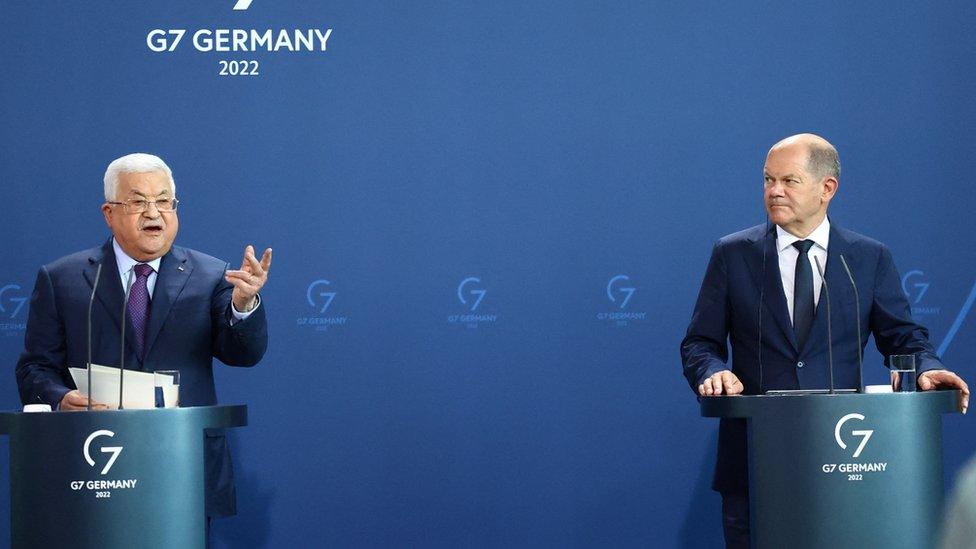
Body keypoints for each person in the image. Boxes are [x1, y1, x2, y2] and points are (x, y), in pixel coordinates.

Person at [679, 134, 969, 548]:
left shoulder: (867, 259)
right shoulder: (733, 254)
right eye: (768, 179)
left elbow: (904, 339)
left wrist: (927, 368)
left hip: (845, 467)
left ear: (827, 189)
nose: (774, 191)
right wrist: (714, 371)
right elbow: (699, 343)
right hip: (756, 464)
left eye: (790, 181)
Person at [15, 152, 272, 520]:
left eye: (164, 201)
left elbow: (243, 354)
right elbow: (34, 370)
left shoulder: (211, 276)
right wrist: (60, 398)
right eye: (138, 201)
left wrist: (244, 305)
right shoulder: (63, 279)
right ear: (109, 213)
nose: (154, 213)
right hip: (93, 467)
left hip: (182, 464)